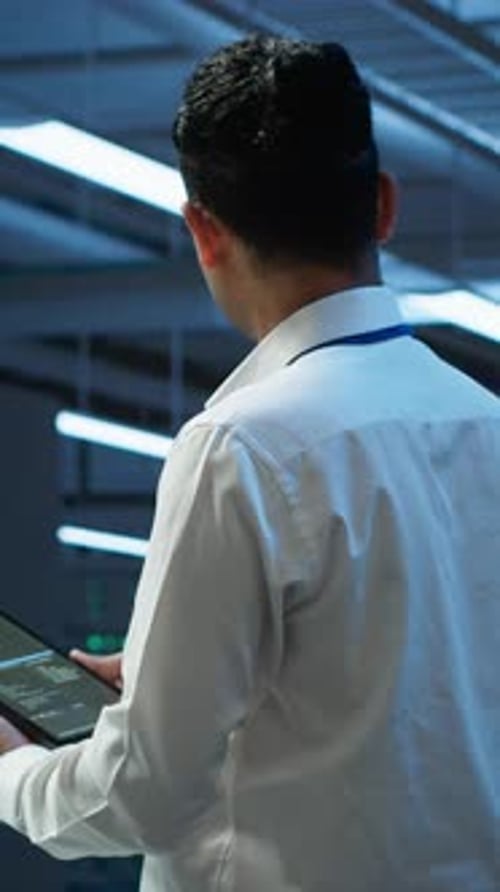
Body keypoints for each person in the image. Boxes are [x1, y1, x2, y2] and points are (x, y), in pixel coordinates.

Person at [0, 34, 499, 892]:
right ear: (382, 205)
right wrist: (176, 668)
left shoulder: (241, 447)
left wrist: (10, 771)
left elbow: (144, 795)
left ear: (203, 230)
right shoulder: (489, 423)